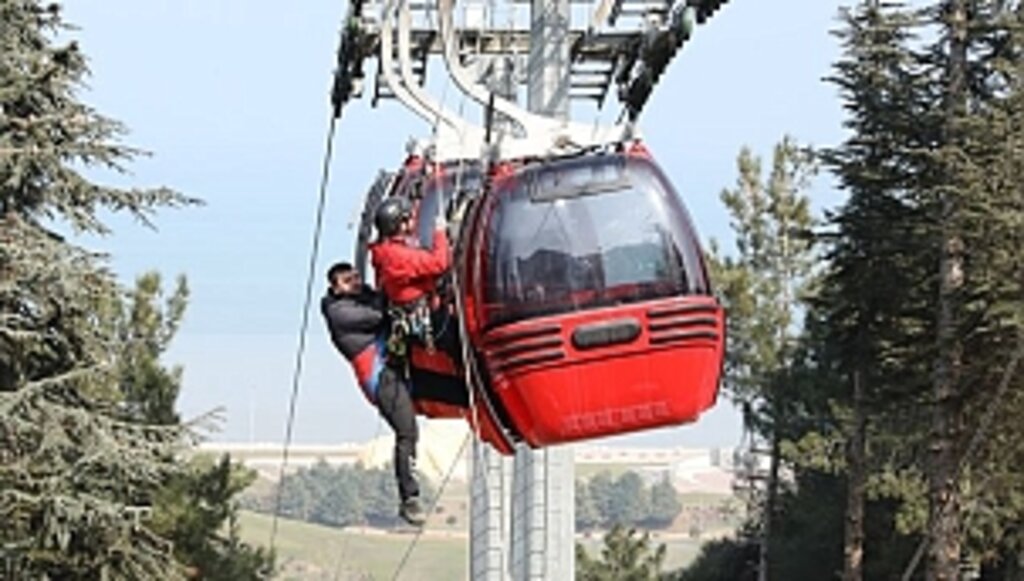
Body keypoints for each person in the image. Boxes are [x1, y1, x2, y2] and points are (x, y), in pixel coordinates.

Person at [320, 261, 426, 526]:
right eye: (348, 281)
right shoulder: (339, 312)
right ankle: (409, 498)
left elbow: (383, 300)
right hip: (381, 379)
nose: (355, 283)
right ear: (335, 287)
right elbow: (381, 314)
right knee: (407, 432)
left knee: (450, 388)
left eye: (356, 277)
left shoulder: (361, 295)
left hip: (396, 366)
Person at [369, 196, 452, 356]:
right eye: (409, 217)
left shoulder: (385, 251)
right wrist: (440, 233)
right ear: (400, 224)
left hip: (412, 315)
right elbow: (439, 263)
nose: (414, 221)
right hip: (427, 318)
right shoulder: (397, 256)